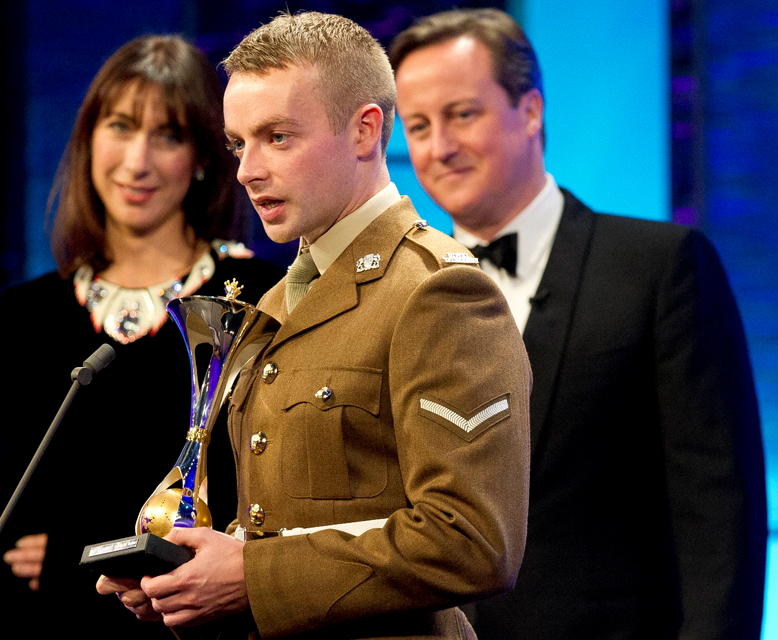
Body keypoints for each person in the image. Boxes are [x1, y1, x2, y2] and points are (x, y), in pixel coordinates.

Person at [97, 11, 532, 639]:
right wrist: (187, 573)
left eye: (278, 137)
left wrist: (252, 576)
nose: (247, 170)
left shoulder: (438, 289)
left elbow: (471, 539)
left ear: (364, 131)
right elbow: (283, 522)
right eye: (238, 143)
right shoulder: (278, 297)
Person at [389, 8, 768, 639]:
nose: (438, 148)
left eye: (462, 115)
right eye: (419, 126)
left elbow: (720, 515)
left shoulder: (661, 268)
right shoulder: (399, 294)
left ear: (531, 111)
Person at [0, 35, 283, 639]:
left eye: (168, 136)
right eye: (120, 126)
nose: (137, 161)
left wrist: (69, 544)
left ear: (203, 156)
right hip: (51, 624)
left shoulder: (255, 297)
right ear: (89, 138)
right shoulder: (27, 314)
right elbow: (6, 515)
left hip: (200, 620)